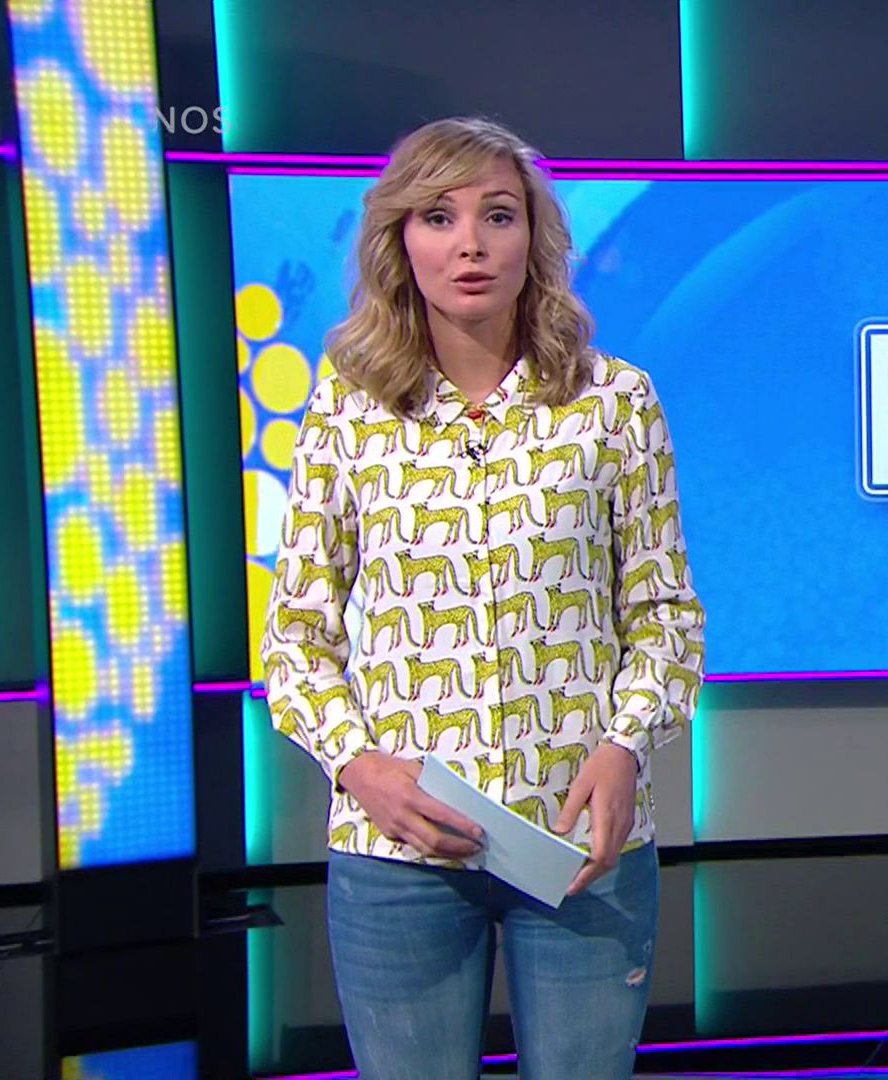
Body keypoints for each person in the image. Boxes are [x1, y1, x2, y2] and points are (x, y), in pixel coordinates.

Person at [259, 116, 705, 1080]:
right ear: (399, 240)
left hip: (580, 843)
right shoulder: (347, 409)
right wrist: (356, 766)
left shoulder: (614, 403)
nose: (470, 243)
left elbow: (665, 616)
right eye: (438, 216)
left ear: (533, 237)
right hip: (398, 851)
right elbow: (294, 636)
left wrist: (626, 747)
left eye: (497, 215)